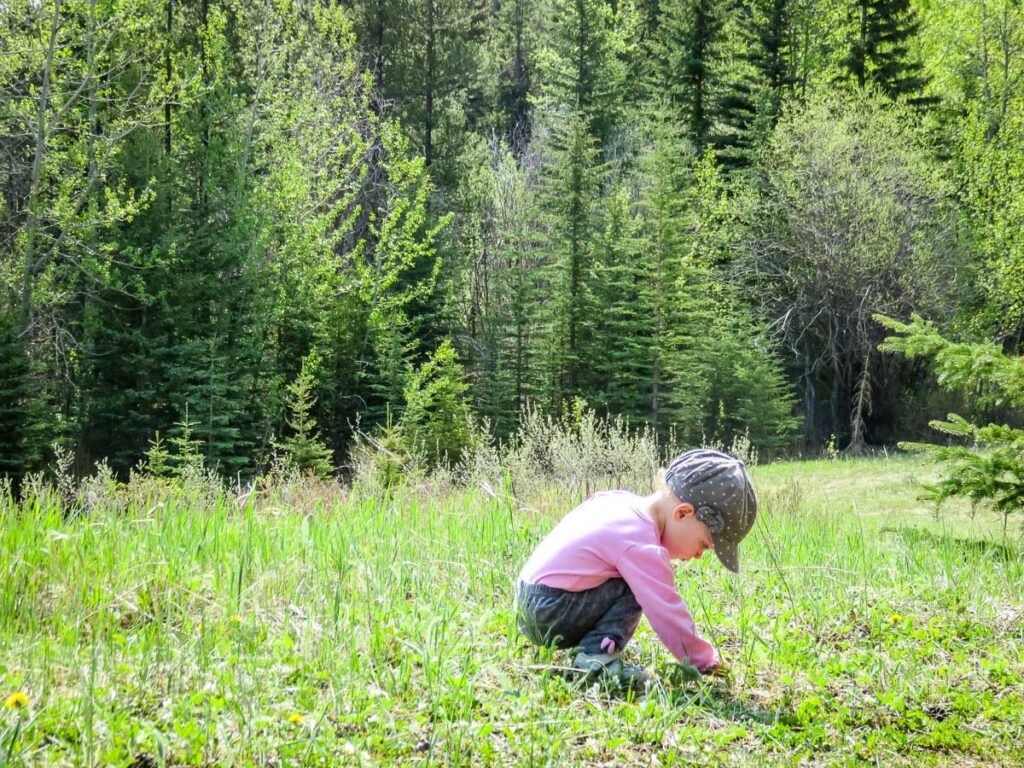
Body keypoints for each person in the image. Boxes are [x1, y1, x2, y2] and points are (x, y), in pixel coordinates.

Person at [515, 448, 757, 687]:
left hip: (530, 599)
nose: (698, 555)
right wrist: (704, 661)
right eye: (704, 545)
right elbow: (666, 611)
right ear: (683, 513)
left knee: (629, 578)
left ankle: (592, 643)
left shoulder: (621, 502)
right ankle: (595, 657)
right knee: (637, 585)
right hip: (549, 612)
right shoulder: (639, 543)